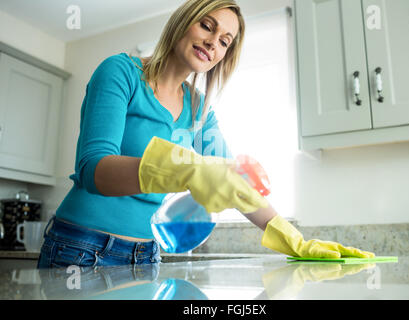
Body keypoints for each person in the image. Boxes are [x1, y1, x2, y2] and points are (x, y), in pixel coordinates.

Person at [37, 0, 374, 269]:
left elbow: (235, 180)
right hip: (80, 248)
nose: (213, 42)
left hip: (146, 256)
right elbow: (93, 170)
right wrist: (187, 169)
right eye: (207, 26)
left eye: (224, 41)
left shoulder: (199, 111)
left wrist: (295, 241)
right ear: (184, 21)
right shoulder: (120, 72)